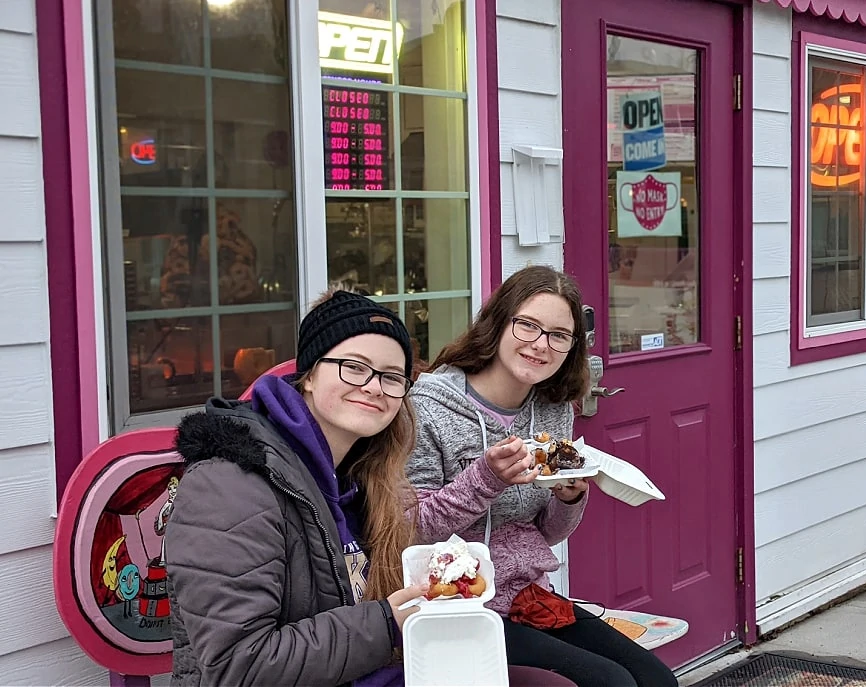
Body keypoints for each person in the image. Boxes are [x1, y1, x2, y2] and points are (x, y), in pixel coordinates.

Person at [163, 287, 577, 687]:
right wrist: (387, 622)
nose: (374, 387)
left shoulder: (365, 474)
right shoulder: (231, 485)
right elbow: (240, 667)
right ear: (308, 375)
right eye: (355, 367)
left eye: (391, 376)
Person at [406, 266, 678, 687]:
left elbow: (545, 533)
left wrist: (568, 499)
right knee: (610, 683)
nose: (540, 345)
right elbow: (413, 530)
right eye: (528, 326)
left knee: (656, 680)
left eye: (558, 335)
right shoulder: (428, 408)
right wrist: (485, 478)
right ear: (497, 323)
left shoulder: (553, 409)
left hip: (528, 597)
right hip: (457, 605)